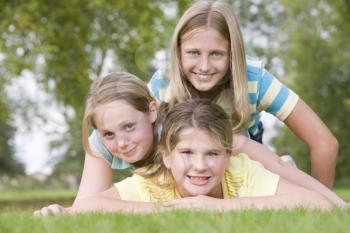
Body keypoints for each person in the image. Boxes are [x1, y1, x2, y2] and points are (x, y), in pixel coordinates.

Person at [34, 70, 344, 216]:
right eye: (110, 134)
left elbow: (248, 153)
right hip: (173, 184)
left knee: (256, 164)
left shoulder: (192, 135)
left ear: (152, 112)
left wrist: (334, 203)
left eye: (129, 127)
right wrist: (61, 212)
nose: (122, 143)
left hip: (242, 161)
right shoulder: (106, 145)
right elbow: (86, 206)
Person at [148, 0, 338, 188]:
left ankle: (281, 173)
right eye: (193, 53)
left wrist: (321, 202)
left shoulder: (254, 78)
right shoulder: (162, 84)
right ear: (178, 52)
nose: (204, 66)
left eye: (216, 54)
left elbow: (324, 142)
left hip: (245, 155)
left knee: (235, 144)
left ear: (232, 54)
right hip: (188, 165)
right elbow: (125, 133)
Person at [70, 99, 335, 213]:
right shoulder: (154, 183)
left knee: (278, 172)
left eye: (212, 154)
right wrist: (166, 211)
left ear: (228, 155)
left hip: (258, 178)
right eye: (186, 153)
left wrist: (219, 208)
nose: (200, 166)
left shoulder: (240, 172)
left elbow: (316, 202)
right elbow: (86, 207)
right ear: (166, 156)